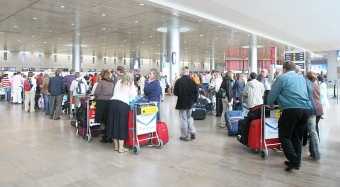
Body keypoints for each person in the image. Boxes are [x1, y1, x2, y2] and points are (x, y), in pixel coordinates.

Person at [268, 62, 313, 172]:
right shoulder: (302, 78)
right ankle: (296, 162)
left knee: (284, 136)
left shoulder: (282, 78)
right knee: (296, 137)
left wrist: (270, 103)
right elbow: (309, 92)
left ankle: (294, 160)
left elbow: (273, 93)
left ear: (284, 69)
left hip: (291, 109)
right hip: (306, 110)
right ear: (294, 69)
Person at [107, 67, 137, 153]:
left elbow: (114, 93)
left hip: (112, 103)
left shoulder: (118, 82)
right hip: (122, 105)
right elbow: (133, 96)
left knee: (113, 124)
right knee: (121, 126)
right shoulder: (131, 84)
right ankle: (121, 148)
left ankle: (116, 146)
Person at [237, 72, 265, 145]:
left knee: (247, 123)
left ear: (250, 77)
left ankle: (245, 140)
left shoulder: (248, 84)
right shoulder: (261, 84)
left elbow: (244, 93)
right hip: (261, 106)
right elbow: (262, 94)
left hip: (252, 107)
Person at [174, 66, 198, 141]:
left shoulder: (178, 81)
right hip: (190, 103)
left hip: (182, 103)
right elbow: (196, 92)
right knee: (189, 118)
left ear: (182, 72)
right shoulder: (192, 81)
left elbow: (175, 93)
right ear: (188, 72)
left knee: (183, 119)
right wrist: (194, 101)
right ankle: (192, 131)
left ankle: (185, 135)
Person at [306, 72, 323, 161]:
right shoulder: (316, 84)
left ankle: (316, 154)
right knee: (314, 130)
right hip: (319, 108)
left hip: (312, 109)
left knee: (312, 132)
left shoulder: (309, 86)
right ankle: (313, 153)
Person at [93, 70, 114, 143]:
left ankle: (105, 137)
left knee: (102, 120)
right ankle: (109, 136)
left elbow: (96, 92)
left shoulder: (101, 82)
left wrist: (96, 97)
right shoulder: (112, 83)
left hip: (101, 103)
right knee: (108, 120)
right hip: (110, 103)